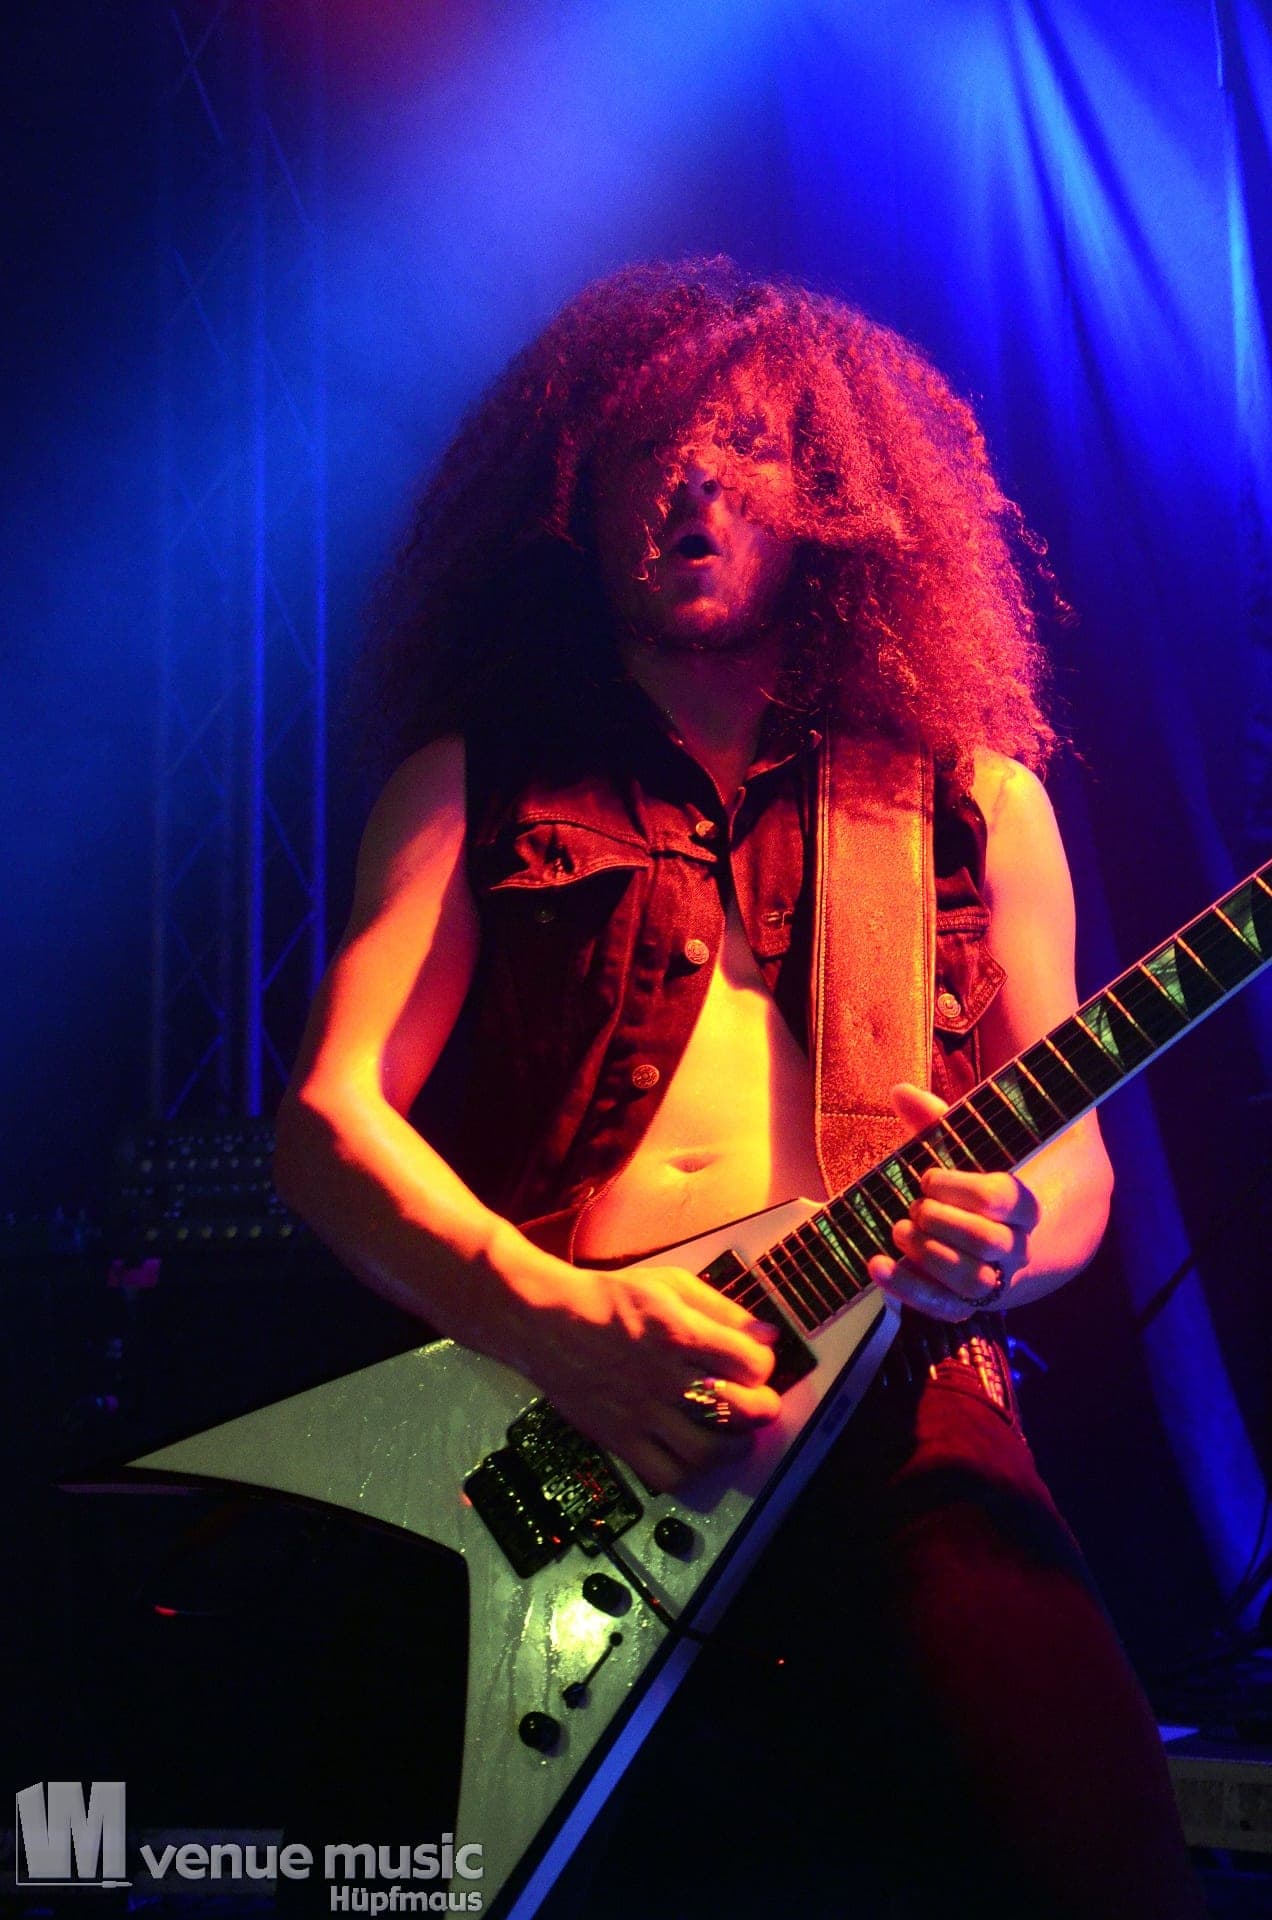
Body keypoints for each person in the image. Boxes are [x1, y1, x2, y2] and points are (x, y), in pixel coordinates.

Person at [274, 259, 1204, 1916]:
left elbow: (1072, 1170)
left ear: (835, 501)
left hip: (904, 1397)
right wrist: (556, 1318)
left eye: (751, 448)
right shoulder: (473, 780)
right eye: (653, 450)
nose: (695, 483)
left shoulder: (971, 798)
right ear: (576, 500)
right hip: (560, 1398)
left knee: (1095, 1856)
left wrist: (1007, 1243)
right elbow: (331, 1123)